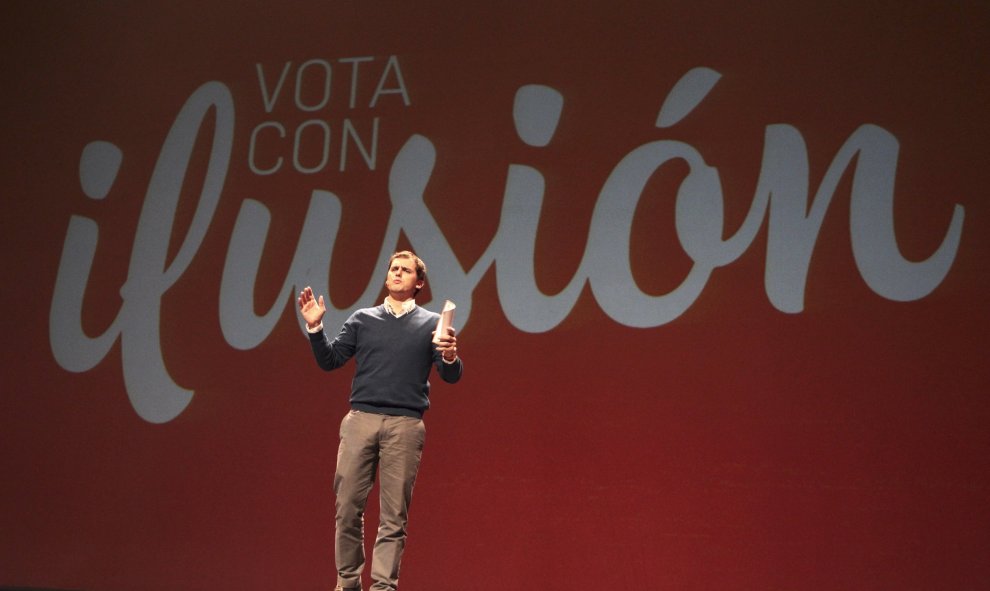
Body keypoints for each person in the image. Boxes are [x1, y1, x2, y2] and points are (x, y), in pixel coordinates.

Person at [297, 250, 463, 591]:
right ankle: (348, 582)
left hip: (405, 425)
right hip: (361, 419)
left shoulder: (432, 323)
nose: (397, 273)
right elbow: (331, 360)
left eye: (405, 270)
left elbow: (450, 375)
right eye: (393, 269)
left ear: (418, 283)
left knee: (393, 516)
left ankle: (383, 587)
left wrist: (449, 354)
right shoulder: (362, 319)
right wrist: (315, 328)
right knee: (347, 507)